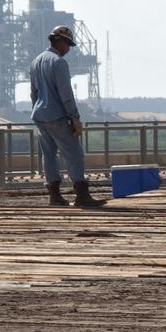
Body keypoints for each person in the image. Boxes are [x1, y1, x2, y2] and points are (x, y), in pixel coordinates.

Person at [29, 25, 105, 208]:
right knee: (74, 154)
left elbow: (34, 93)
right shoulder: (58, 62)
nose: (69, 49)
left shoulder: (36, 61)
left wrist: (38, 112)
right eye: (68, 45)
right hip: (58, 116)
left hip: (40, 116)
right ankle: (82, 195)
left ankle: (54, 196)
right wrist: (75, 117)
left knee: (49, 156)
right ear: (60, 42)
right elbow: (66, 93)